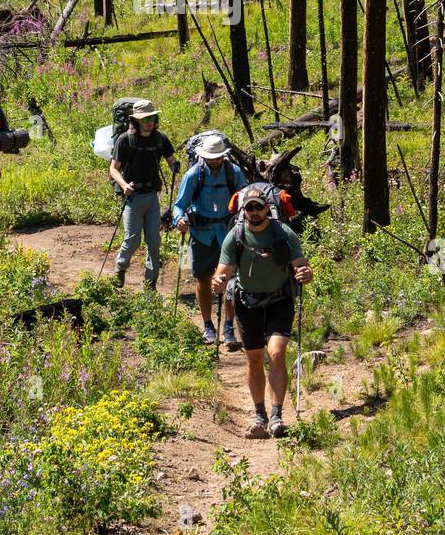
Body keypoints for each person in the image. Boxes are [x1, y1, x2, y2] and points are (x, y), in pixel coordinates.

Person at [212, 183, 313, 439]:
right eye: (249, 208)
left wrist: (305, 273)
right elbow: (222, 272)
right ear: (243, 210)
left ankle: (277, 416)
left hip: (280, 299)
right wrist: (218, 282)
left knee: (276, 353)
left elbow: (301, 266)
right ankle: (260, 415)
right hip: (248, 303)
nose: (254, 212)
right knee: (254, 358)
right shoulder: (235, 237)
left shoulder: (284, 233)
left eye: (259, 207)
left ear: (268, 208)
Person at [172, 135, 247, 347]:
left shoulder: (234, 172)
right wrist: (179, 220)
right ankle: (208, 326)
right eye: (211, 157)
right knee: (203, 279)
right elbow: (179, 205)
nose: (214, 161)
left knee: (231, 281)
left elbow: (245, 198)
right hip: (201, 234)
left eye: (217, 157)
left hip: (228, 234)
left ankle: (229, 327)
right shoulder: (193, 174)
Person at [108, 99, 175, 290]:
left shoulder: (160, 138)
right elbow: (113, 169)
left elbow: (171, 159)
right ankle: (120, 268)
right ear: (136, 120)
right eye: (145, 119)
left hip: (152, 197)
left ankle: (150, 283)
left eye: (152, 118)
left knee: (154, 242)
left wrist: (174, 165)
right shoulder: (125, 140)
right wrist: (123, 185)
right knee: (133, 239)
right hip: (133, 197)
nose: (149, 122)